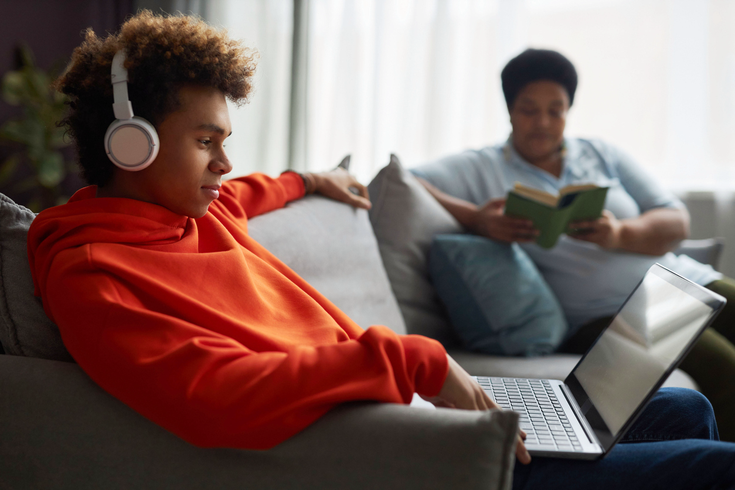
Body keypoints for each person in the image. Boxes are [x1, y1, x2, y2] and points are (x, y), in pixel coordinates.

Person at [27, 12, 735, 489]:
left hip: (411, 411)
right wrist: (412, 357)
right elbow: (211, 397)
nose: (222, 165)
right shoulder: (95, 274)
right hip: (400, 452)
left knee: (683, 412)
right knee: (714, 460)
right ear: (130, 145)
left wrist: (311, 179)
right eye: (206, 141)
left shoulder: (191, 212)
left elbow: (251, 191)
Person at [415, 48, 735, 441]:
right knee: (725, 367)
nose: (543, 123)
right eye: (529, 109)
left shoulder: (600, 153)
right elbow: (398, 177)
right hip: (609, 314)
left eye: (556, 110)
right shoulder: (480, 167)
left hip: (685, 280)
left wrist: (619, 233)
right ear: (510, 111)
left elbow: (675, 221)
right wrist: (475, 217)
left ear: (569, 110)